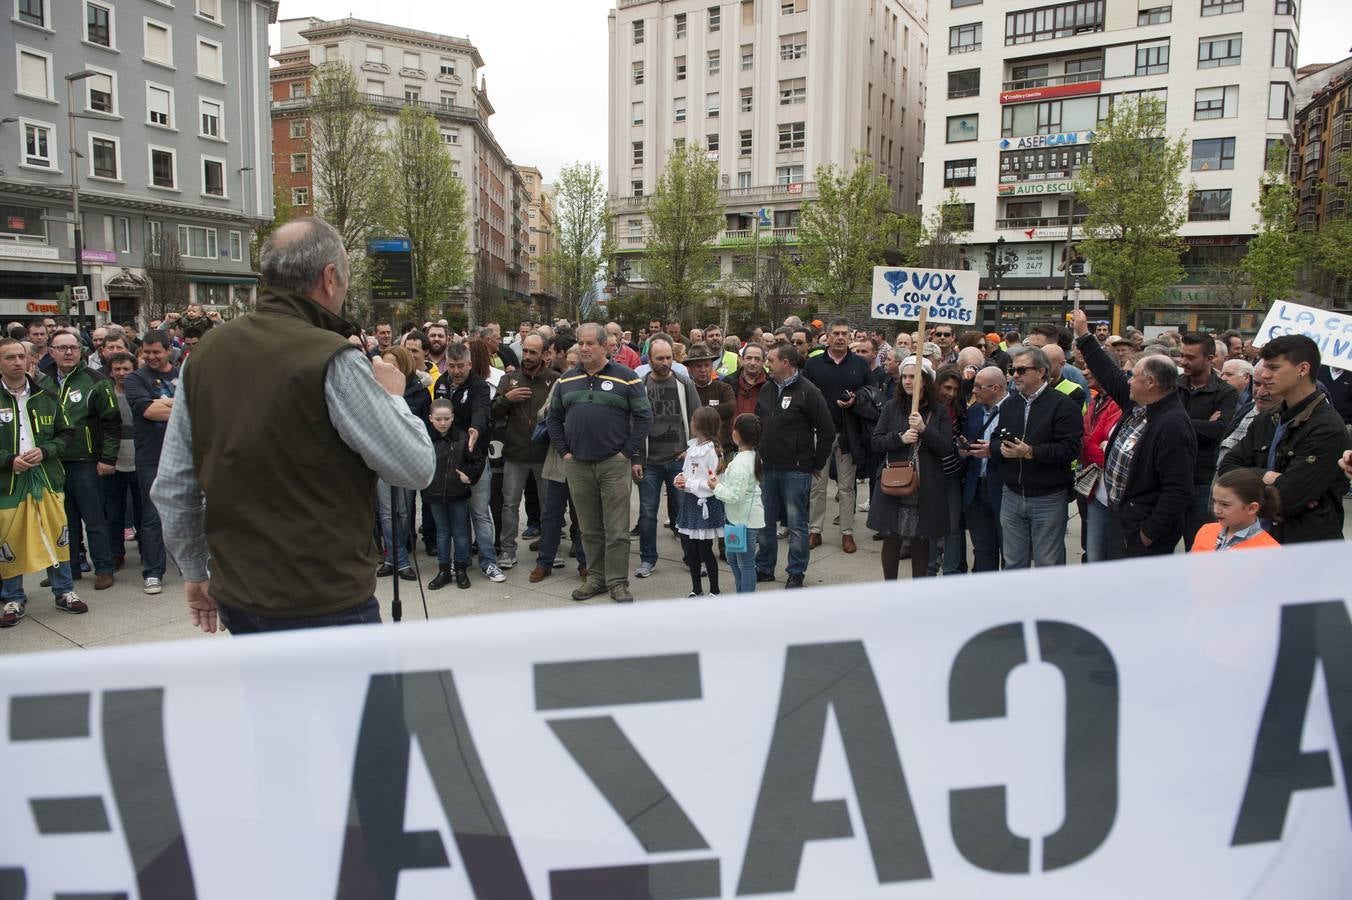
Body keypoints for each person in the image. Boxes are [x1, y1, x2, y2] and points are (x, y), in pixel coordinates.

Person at [151, 217, 436, 634]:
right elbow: (415, 466)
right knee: (356, 704)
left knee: (267, 703)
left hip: (240, 597)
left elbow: (174, 487)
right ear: (330, 276)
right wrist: (394, 396)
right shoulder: (332, 358)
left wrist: (195, 572)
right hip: (327, 601)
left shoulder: (205, 352)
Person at [1073, 310, 1197, 559]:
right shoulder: (1139, 405)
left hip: (1143, 529)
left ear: (1150, 383)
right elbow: (1109, 373)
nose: (1128, 381)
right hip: (1119, 513)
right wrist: (1084, 335)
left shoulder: (1172, 426)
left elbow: (1178, 490)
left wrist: (1149, 533)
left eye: (1134, 377)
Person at [546, 323, 652, 604]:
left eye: (590, 343)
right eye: (580, 343)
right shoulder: (566, 380)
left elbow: (644, 417)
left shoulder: (627, 378)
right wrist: (565, 452)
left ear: (606, 346)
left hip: (613, 464)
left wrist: (627, 453)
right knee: (589, 529)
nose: (583, 348)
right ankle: (596, 578)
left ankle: (618, 582)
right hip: (578, 465)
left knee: (617, 530)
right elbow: (553, 419)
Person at [1218, 335, 1350, 543]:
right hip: (1259, 539)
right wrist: (1267, 476)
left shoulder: (1327, 428)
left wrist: (1249, 482)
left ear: (1303, 369)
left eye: (1274, 368)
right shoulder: (1268, 418)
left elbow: (1287, 499)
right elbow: (1227, 467)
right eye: (1265, 367)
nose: (1264, 374)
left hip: (1303, 547)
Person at [970, 346, 1083, 569]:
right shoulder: (1011, 403)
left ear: (1041, 372)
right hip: (1011, 494)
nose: (1014, 375)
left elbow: (1070, 449)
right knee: (1013, 562)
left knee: (1047, 562)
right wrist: (995, 448)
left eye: (1021, 370)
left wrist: (1031, 452)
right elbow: (996, 437)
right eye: (1012, 369)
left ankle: (1046, 604)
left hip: (1048, 497)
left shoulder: (1063, 404)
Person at [0, 339, 83, 626]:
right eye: (10, 357)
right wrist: (8, 459)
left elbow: (66, 433)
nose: (17, 362)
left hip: (47, 478)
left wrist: (46, 450)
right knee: (9, 539)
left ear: (30, 360)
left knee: (56, 533)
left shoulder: (47, 394)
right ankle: (13, 597)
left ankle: (64, 591)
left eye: (21, 356)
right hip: (9, 482)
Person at [754, 343, 835, 589]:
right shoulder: (767, 389)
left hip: (796, 469)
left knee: (797, 523)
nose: (767, 363)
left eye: (771, 359)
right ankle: (765, 567)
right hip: (768, 467)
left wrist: (816, 463)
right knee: (765, 521)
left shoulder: (808, 391)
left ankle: (796, 572)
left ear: (786, 363)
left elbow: (827, 430)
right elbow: (759, 424)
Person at [867, 357, 955, 580]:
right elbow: (876, 441)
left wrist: (925, 429)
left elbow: (946, 448)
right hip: (894, 480)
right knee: (891, 537)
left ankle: (917, 590)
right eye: (904, 376)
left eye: (913, 377)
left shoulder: (940, 411)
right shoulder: (891, 407)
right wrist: (900, 438)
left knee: (920, 539)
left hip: (925, 485)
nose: (907, 381)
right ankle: (891, 588)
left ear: (925, 380)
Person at [47, 329, 121, 590]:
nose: (68, 352)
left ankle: (103, 568)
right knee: (63, 521)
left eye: (73, 347)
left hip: (86, 462)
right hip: (53, 464)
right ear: (50, 351)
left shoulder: (96, 380)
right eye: (62, 348)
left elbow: (112, 423)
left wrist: (107, 458)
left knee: (94, 519)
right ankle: (70, 568)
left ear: (81, 350)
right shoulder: (43, 383)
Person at [433, 342, 504, 583]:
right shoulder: (441, 383)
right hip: (449, 461)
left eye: (460, 366)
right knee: (457, 517)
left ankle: (489, 561)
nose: (456, 371)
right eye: (451, 366)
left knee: (480, 513)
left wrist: (476, 429)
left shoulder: (480, 386)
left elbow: (482, 411)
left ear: (470, 364)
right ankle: (459, 562)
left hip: (475, 457)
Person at [634, 336, 699, 580]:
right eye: (660, 358)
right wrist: (636, 459)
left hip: (678, 460)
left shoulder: (684, 384)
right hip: (649, 462)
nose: (665, 362)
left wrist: (690, 449)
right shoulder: (639, 385)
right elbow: (631, 424)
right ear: (649, 359)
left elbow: (697, 418)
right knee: (648, 514)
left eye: (669, 357)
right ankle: (647, 559)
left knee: (684, 511)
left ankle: (690, 557)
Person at [805, 318, 871, 554]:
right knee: (817, 486)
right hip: (819, 433)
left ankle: (847, 533)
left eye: (845, 333)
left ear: (851, 337)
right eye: (836, 333)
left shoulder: (861, 365)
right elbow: (804, 395)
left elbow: (870, 393)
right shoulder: (813, 364)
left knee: (846, 487)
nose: (841, 337)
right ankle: (815, 530)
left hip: (848, 433)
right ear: (828, 336)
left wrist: (856, 400)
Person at [493, 332, 557, 570]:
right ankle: (508, 551)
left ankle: (550, 549)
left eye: (533, 352)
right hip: (515, 455)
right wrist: (507, 399)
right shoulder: (509, 379)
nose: (528, 356)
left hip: (544, 455)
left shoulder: (554, 379)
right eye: (526, 351)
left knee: (549, 506)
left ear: (544, 354)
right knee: (509, 505)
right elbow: (494, 413)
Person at [123, 331, 178, 595]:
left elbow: (203, 406)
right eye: (147, 352)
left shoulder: (184, 375)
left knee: (196, 512)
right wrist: (183, 407)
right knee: (152, 515)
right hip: (151, 458)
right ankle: (153, 571)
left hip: (186, 456)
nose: (151, 357)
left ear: (169, 350)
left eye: (157, 352)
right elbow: (149, 411)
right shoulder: (135, 378)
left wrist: (167, 403)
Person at [1177, 332, 1239, 550]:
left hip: (1201, 482)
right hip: (1170, 479)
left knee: (1198, 548)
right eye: (1182, 355)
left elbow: (1219, 431)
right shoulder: (1174, 386)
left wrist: (1176, 422)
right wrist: (1202, 423)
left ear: (1210, 359)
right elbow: (1157, 423)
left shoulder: (1226, 392)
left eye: (1191, 357)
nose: (1184, 362)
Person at [373, 346, 426, 581]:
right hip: (382, 459)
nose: (388, 369)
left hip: (406, 460)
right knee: (386, 513)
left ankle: (395, 556)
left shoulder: (418, 393)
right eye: (384, 365)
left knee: (403, 513)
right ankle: (397, 560)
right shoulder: (374, 392)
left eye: (392, 364)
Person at [424, 399, 486, 589]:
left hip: (457, 492)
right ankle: (444, 570)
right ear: (430, 419)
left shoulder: (462, 438)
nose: (442, 423)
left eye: (446, 418)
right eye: (438, 419)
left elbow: (478, 459)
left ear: (452, 418)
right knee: (442, 533)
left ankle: (460, 569)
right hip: (434, 493)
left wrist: (470, 477)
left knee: (460, 533)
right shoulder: (425, 439)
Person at [672, 407, 727, 597]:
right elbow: (687, 472)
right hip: (690, 503)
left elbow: (716, 483)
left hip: (706, 505)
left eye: (693, 419)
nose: (691, 423)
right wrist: (680, 479)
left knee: (705, 550)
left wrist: (689, 483)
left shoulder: (712, 451)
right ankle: (696, 589)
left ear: (701, 425)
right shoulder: (693, 447)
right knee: (691, 549)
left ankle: (715, 590)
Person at [960, 366, 1008, 572]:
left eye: (979, 387)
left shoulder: (1016, 409)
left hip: (1005, 490)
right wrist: (962, 450)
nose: (974, 391)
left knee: (1010, 550)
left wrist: (994, 451)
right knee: (982, 548)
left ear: (995, 388)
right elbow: (965, 442)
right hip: (976, 489)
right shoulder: (974, 411)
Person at [711, 413, 765, 593]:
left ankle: (745, 600)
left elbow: (735, 496)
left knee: (746, 563)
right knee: (733, 557)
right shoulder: (750, 456)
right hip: (738, 518)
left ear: (737, 435)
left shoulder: (741, 463)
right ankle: (742, 592)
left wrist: (715, 487)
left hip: (745, 521)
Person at [1079, 361, 1124, 563]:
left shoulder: (1119, 404)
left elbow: (1111, 454)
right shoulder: (1095, 400)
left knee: (1112, 556)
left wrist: (1091, 446)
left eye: (1090, 367)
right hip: (1094, 490)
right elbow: (1086, 442)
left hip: (1115, 492)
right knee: (1093, 553)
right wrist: (1093, 445)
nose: (1084, 372)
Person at [100, 352, 141, 572]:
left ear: (134, 369)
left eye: (126, 369)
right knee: (114, 513)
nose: (122, 373)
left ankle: (147, 550)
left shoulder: (141, 392)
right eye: (117, 369)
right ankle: (116, 554)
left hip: (140, 460)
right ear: (111, 372)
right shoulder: (105, 394)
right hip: (113, 462)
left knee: (143, 512)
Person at [1190, 468, 1280, 553]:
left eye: (1224, 504)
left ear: (1252, 508)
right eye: (1214, 501)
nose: (1216, 510)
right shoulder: (1206, 530)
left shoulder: (1269, 550)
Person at [685, 342, 736, 456]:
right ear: (690, 369)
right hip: (694, 452)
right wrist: (713, 413)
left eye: (707, 365)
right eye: (698, 366)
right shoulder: (686, 390)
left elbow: (730, 408)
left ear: (712, 367)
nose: (703, 370)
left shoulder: (723, 387)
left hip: (722, 451)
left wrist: (699, 413)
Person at [727, 342, 766, 417]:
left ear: (763, 362)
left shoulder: (771, 386)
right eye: (749, 358)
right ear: (742, 360)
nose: (752, 362)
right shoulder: (728, 383)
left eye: (757, 359)